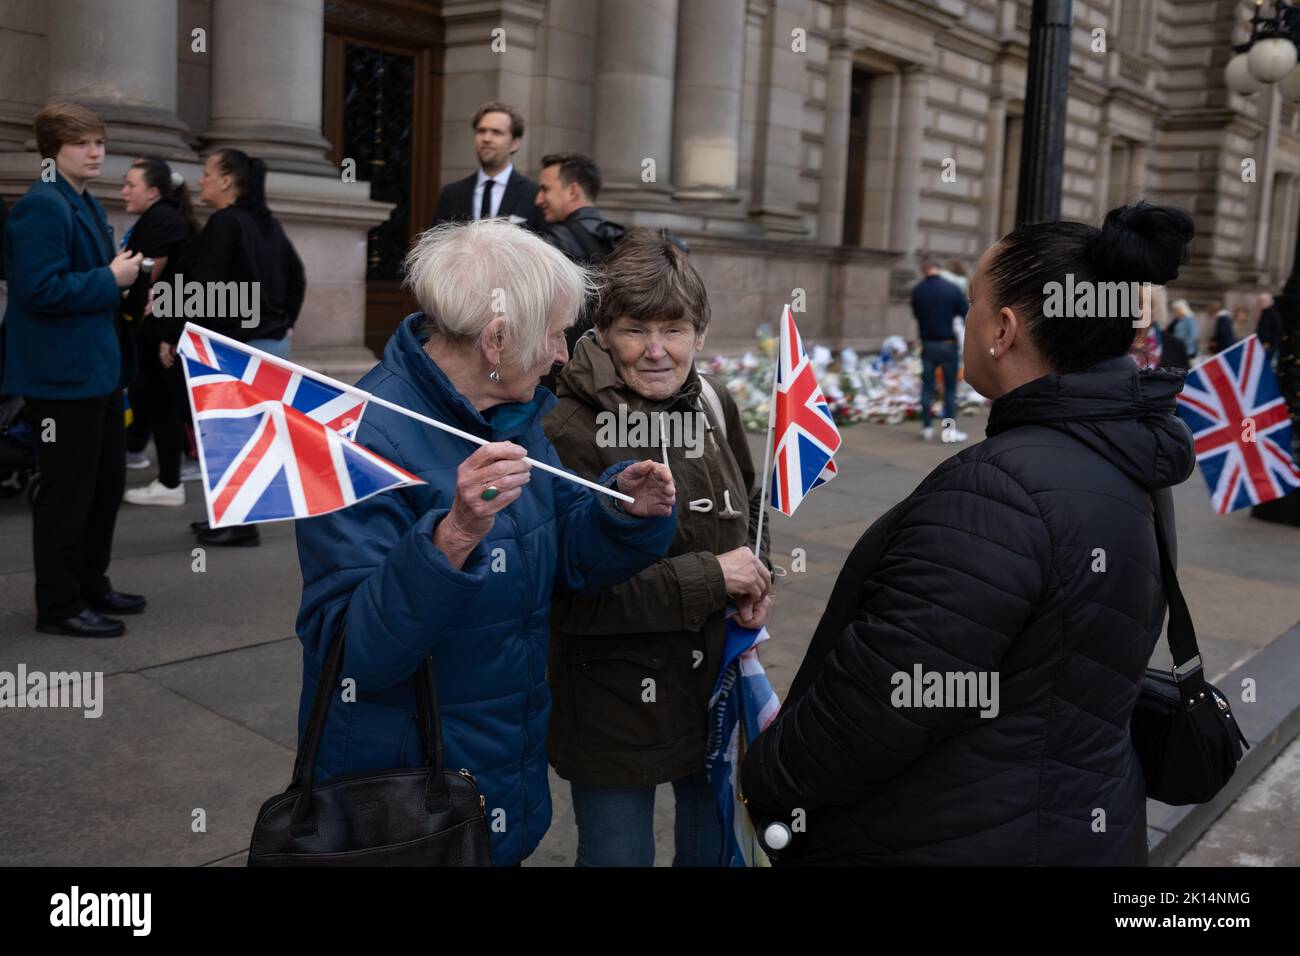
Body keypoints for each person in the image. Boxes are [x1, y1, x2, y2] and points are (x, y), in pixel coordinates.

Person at [740, 201, 1197, 865]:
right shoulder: (1129, 453)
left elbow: (881, 704)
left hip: (956, 832)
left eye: (975, 304)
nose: (966, 322)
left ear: (1003, 330)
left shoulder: (997, 493)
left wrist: (767, 778)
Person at [293, 219, 678, 866]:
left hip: (494, 770)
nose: (563, 353)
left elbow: (558, 551)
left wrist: (623, 516)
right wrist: (452, 537)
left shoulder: (512, 415)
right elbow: (349, 653)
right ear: (497, 340)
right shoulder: (356, 437)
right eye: (556, 334)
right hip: (405, 799)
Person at [542, 229, 772, 867]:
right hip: (611, 702)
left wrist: (758, 575)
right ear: (602, 331)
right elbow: (565, 595)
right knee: (618, 856)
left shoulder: (716, 404)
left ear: (698, 333)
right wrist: (713, 578)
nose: (655, 351)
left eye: (674, 330)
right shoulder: (564, 427)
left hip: (712, 688)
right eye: (634, 330)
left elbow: (750, 505)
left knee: (714, 850)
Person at [0, 103, 147, 637]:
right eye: (82, 143)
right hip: (62, 378)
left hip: (98, 371)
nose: (95, 152)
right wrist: (112, 277)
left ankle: (91, 583)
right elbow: (39, 290)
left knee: (105, 486)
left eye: (99, 143)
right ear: (52, 148)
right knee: (67, 493)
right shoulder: (43, 204)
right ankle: (59, 606)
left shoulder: (79, 200)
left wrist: (127, 287)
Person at [176, 148, 306, 546]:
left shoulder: (225, 222)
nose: (200, 181)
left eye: (206, 173)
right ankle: (228, 520)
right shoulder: (266, 223)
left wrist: (189, 335)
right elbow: (297, 276)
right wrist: (284, 321)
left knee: (229, 436)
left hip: (236, 346)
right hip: (270, 342)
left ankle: (238, 526)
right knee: (245, 436)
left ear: (227, 181)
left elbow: (205, 288)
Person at [120, 157, 198, 508]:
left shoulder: (162, 220)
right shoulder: (161, 217)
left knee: (161, 405)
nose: (123, 191)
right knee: (159, 404)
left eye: (130, 184)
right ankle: (170, 479)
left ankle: (170, 482)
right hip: (159, 328)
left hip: (160, 330)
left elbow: (145, 277)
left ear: (152, 191)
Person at [430, 102, 544, 231]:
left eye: (496, 132)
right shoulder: (451, 194)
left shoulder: (534, 194)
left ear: (515, 143)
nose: (486, 138)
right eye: (481, 131)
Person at [911, 258, 969, 442]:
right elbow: (965, 313)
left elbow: (917, 314)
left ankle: (927, 427)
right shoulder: (952, 289)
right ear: (939, 269)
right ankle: (949, 431)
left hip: (927, 343)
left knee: (927, 387)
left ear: (923, 269)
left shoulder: (918, 290)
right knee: (950, 389)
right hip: (947, 343)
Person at [1256, 292, 1282, 364]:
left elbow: (1276, 329)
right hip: (1264, 344)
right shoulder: (1265, 312)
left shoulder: (1271, 313)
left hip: (1269, 346)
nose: (1260, 303)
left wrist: (1268, 342)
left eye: (1262, 301)